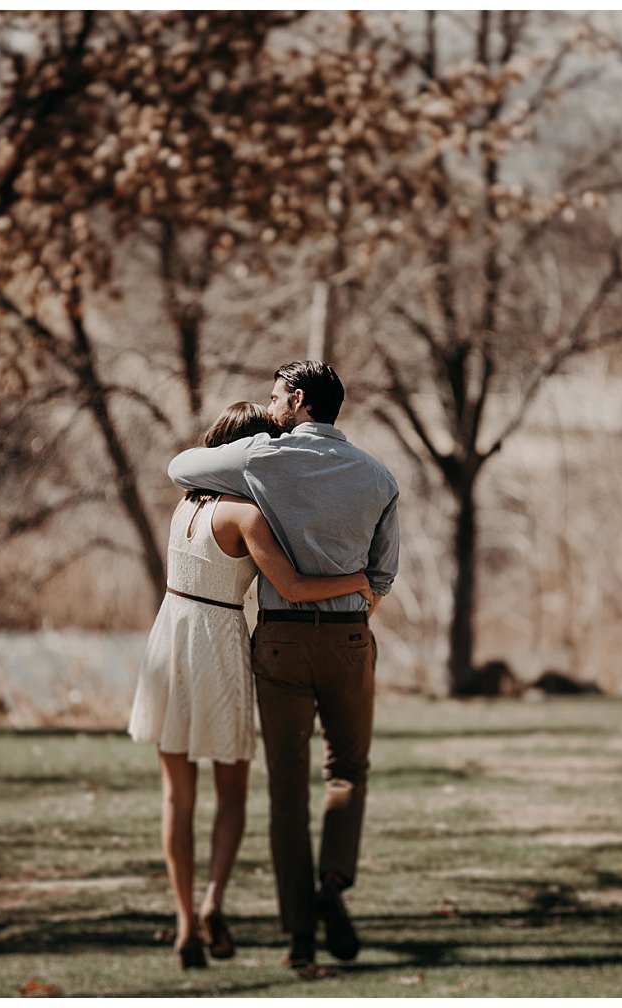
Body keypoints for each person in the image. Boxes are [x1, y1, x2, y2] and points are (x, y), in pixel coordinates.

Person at [167, 361, 400, 972]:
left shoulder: (260, 459)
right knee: (347, 770)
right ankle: (333, 883)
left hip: (281, 642)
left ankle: (299, 938)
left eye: (275, 399)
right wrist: (358, 608)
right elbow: (382, 575)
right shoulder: (378, 476)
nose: (271, 409)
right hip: (349, 639)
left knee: (287, 791)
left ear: (297, 400)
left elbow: (179, 468)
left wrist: (244, 452)